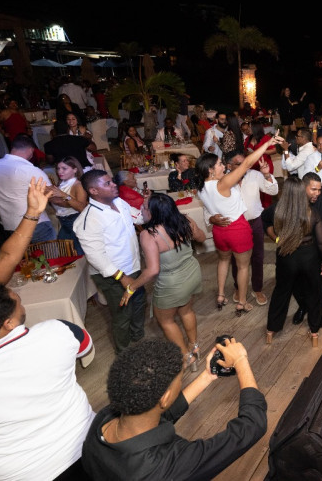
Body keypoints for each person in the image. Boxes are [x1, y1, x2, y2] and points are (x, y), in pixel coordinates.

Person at [0, 282, 94, 481]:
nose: (23, 306)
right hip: (92, 452)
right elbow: (86, 349)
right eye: (19, 302)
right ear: (8, 323)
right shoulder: (59, 331)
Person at [81, 337, 266, 480]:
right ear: (165, 397)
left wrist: (206, 377)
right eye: (180, 378)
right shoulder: (166, 466)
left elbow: (157, 413)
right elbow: (252, 425)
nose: (181, 381)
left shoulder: (104, 419)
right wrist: (241, 360)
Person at [262, 145, 322, 326]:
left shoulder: (320, 198)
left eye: (319, 190)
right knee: (296, 288)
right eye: (313, 190)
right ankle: (303, 308)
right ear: (302, 188)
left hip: (316, 252)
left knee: (318, 289)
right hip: (291, 254)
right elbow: (265, 220)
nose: (317, 193)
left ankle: (318, 317)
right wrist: (276, 238)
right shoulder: (286, 204)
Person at [195, 136, 280, 315]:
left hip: (220, 231)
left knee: (223, 260)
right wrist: (266, 144)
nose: (222, 166)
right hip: (237, 228)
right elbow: (248, 163)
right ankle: (241, 302)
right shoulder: (223, 183)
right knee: (242, 266)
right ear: (210, 170)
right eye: (219, 164)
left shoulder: (201, 187)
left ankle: (220, 295)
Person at [120, 193, 206, 369]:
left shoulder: (148, 235)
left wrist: (131, 287)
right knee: (186, 310)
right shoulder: (185, 221)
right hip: (191, 272)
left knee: (165, 320)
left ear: (153, 213)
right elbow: (202, 238)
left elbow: (152, 270)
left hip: (172, 282)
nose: (141, 210)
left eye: (144, 208)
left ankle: (186, 357)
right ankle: (194, 346)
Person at [74, 169, 149, 354]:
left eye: (111, 181)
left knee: (139, 302)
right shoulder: (88, 219)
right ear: (94, 191)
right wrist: (122, 278)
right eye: (107, 183)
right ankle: (125, 353)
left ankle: (137, 338)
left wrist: (146, 202)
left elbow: (140, 217)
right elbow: (96, 257)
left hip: (133, 268)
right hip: (114, 275)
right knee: (122, 314)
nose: (114, 184)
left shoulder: (119, 202)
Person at [265, 177, 322, 347]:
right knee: (314, 293)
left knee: (281, 293)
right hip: (309, 257)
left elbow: (265, 222)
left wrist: (277, 239)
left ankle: (271, 330)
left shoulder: (278, 211)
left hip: (286, 256)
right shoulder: (312, 213)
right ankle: (314, 331)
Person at [221, 151, 278, 307]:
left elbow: (273, 191)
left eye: (245, 162)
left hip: (255, 222)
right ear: (229, 166)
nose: (244, 166)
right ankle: (238, 287)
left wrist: (266, 175)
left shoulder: (255, 174)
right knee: (236, 258)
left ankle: (257, 289)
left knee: (258, 256)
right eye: (239, 164)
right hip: (234, 225)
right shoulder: (224, 180)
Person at [0, 133, 57, 243]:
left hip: (10, 226)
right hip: (36, 225)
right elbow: (53, 196)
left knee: (25, 259)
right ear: (31, 150)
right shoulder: (31, 170)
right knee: (50, 258)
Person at [47, 156, 89, 255]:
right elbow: (57, 203)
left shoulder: (78, 185)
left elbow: (81, 208)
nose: (60, 171)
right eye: (58, 168)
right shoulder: (61, 184)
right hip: (64, 222)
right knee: (65, 253)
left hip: (75, 221)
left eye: (64, 168)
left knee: (79, 253)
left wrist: (64, 196)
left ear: (75, 170)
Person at [244, 121, 275, 208]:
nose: (248, 129)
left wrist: (261, 151)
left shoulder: (265, 138)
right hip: (253, 168)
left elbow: (273, 150)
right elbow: (245, 152)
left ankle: (266, 208)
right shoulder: (248, 139)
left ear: (255, 128)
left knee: (266, 189)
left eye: (249, 127)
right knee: (255, 189)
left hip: (265, 167)